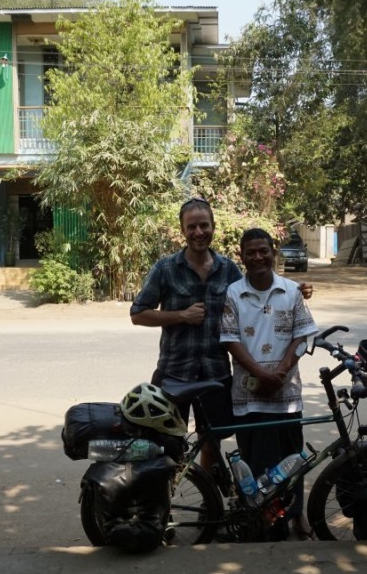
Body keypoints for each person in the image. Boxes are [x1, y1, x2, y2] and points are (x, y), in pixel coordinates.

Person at [129, 198, 312, 471]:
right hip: (174, 372)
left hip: (216, 373)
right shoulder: (165, 268)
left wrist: (297, 288)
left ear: (213, 227)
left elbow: (259, 284)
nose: (198, 232)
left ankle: (208, 502)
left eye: (204, 225)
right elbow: (138, 313)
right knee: (169, 445)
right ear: (183, 230)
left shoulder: (228, 269)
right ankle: (166, 504)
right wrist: (180, 315)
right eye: (192, 227)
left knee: (211, 440)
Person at [220, 228, 318, 541]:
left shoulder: (291, 292)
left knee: (292, 458)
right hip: (249, 397)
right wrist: (261, 375)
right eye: (251, 252)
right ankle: (261, 520)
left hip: (286, 395)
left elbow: (301, 336)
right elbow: (231, 341)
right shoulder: (233, 293)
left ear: (273, 252)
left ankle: (295, 514)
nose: (258, 257)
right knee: (255, 464)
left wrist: (281, 372)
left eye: (264, 250)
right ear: (242, 256)